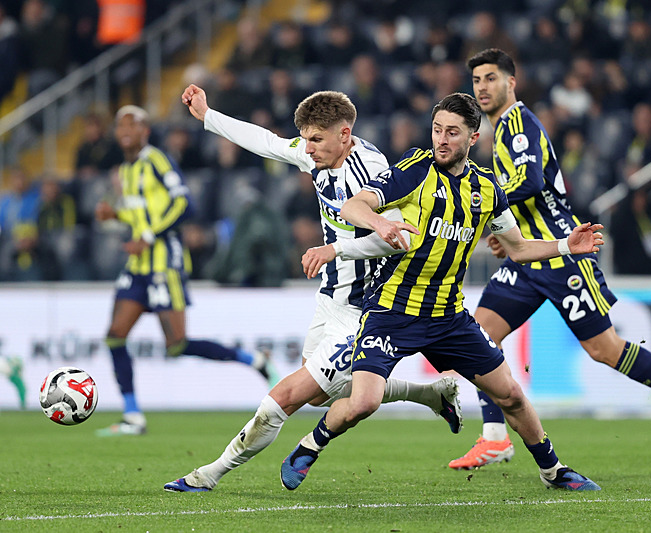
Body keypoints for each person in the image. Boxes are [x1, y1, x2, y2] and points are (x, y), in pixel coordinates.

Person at [279, 92, 605, 493]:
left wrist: (564, 246)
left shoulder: (487, 189)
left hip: (449, 318)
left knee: (512, 396)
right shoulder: (414, 169)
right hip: (391, 310)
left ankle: (554, 470)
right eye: (437, 130)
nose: (442, 140)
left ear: (473, 137)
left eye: (452, 132)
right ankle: (309, 446)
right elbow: (353, 206)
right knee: (363, 402)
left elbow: (518, 248)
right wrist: (380, 224)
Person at [163, 87, 463, 492]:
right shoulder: (315, 153)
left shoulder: (372, 172)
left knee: (284, 397)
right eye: (305, 138)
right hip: (330, 297)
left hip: (366, 308)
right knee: (321, 396)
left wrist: (333, 248)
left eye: (316, 139)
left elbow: (398, 238)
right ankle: (432, 395)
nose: (308, 148)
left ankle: (210, 474)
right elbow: (266, 142)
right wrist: (207, 115)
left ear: (344, 134)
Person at [445, 48, 651, 470]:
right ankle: (496, 437)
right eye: (477, 80)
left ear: (510, 82)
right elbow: (521, 193)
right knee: (480, 334)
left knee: (604, 349)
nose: (482, 87)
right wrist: (506, 231)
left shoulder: (518, 123)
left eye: (490, 78)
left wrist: (486, 216)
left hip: (561, 254)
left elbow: (530, 182)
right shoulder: (500, 130)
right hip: (527, 256)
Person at [94, 105, 275, 437]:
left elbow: (184, 204)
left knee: (176, 345)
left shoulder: (157, 161)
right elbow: (141, 213)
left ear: (145, 131)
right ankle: (133, 415)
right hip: (138, 266)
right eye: (120, 125)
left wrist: (148, 236)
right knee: (115, 336)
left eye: (131, 124)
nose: (124, 130)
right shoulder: (125, 170)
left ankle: (254, 361)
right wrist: (115, 215)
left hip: (165, 262)